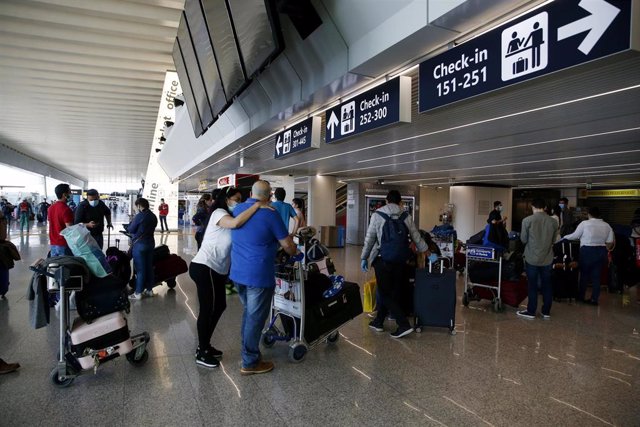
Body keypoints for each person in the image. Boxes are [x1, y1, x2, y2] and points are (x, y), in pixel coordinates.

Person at [189, 188, 271, 368]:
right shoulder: (219, 213)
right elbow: (234, 224)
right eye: (237, 199)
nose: (240, 203)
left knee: (219, 306)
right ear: (227, 199)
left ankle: (205, 345)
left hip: (217, 270)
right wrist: (257, 205)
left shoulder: (232, 216)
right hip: (205, 266)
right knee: (207, 309)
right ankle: (201, 352)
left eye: (242, 199)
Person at [229, 180, 298, 375]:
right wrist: (293, 251)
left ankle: (247, 351)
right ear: (270, 197)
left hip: (237, 273)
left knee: (249, 313)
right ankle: (249, 361)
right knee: (255, 318)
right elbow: (287, 245)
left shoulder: (238, 209)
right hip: (258, 275)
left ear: (251, 192)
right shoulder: (270, 214)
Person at [360, 190, 432, 339]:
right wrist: (427, 252)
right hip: (400, 259)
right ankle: (379, 321)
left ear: (387, 201)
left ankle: (403, 324)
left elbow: (370, 239)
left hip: (382, 259)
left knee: (385, 293)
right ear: (400, 202)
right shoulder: (405, 215)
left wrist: (364, 257)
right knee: (392, 291)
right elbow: (416, 237)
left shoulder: (377, 215)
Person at [562, 206, 614, 305]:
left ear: (589, 214)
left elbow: (575, 236)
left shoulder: (585, 223)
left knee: (584, 275)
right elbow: (610, 241)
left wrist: (564, 237)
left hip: (587, 251)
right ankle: (594, 299)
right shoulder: (607, 225)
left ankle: (581, 297)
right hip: (601, 251)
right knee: (596, 276)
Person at [517, 198, 557, 320]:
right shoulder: (553, 221)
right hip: (547, 258)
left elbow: (523, 239)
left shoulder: (527, 220)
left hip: (531, 258)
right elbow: (554, 240)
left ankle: (531, 311)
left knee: (532, 285)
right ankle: (546, 312)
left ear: (533, 207)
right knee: (547, 285)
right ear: (545, 207)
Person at [128, 198, 158, 300]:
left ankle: (138, 292)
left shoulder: (139, 216)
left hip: (140, 245)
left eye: (136, 206)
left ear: (139, 206)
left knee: (140, 269)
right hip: (150, 244)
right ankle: (149, 290)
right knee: (149, 267)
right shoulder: (153, 216)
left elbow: (131, 229)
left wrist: (132, 222)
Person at [48, 184, 75, 256]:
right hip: (64, 243)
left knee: (55, 265)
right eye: (70, 192)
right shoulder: (66, 209)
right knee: (64, 265)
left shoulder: (51, 208)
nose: (71, 194)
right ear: (64, 195)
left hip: (53, 242)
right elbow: (70, 229)